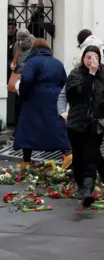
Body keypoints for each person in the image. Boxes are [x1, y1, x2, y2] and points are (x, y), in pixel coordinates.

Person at [65, 45, 104, 207]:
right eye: (88, 57)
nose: (91, 61)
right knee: (79, 156)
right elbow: (83, 93)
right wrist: (91, 74)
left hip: (96, 124)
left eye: (94, 57)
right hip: (77, 123)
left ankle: (88, 191)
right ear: (83, 59)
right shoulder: (76, 74)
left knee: (91, 155)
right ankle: (81, 185)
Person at [13, 38, 72, 169]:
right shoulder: (57, 63)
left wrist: (23, 94)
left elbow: (27, 80)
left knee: (28, 127)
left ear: (34, 48)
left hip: (35, 99)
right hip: (55, 98)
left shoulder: (32, 62)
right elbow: (64, 80)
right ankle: (67, 154)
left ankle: (26, 160)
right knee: (56, 126)